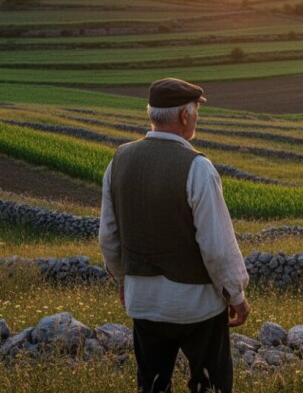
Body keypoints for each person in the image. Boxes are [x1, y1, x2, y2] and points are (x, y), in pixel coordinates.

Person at [99, 77, 250, 393]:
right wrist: (236, 296)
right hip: (197, 307)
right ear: (185, 116)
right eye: (196, 110)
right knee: (211, 386)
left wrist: (125, 280)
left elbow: (108, 238)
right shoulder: (198, 168)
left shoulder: (119, 161)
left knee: (152, 387)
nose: (196, 116)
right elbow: (217, 248)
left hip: (143, 304)